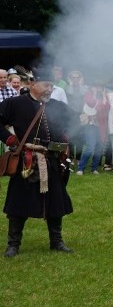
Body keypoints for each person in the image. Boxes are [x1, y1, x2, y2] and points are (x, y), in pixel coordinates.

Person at [0, 72, 75, 257]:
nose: (50, 89)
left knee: (56, 202)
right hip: (28, 161)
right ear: (32, 83)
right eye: (46, 85)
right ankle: (13, 245)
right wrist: (10, 139)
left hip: (52, 160)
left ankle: (56, 242)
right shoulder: (16, 104)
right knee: (18, 203)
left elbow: (73, 122)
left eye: (52, 86)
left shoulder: (57, 106)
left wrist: (66, 138)